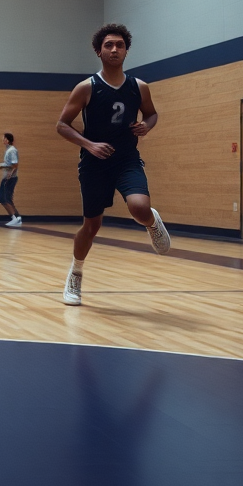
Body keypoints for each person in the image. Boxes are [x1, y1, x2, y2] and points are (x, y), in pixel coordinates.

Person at [56, 23, 171, 306]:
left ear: (126, 51)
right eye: (108, 45)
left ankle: (152, 222)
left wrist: (147, 125)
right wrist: (89, 144)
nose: (114, 49)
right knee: (91, 227)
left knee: (140, 207)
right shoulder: (86, 88)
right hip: (94, 164)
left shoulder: (138, 87)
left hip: (126, 159)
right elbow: (61, 125)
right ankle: (76, 273)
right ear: (99, 51)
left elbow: (152, 114)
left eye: (119, 45)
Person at [0, 132, 21, 227]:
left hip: (10, 178)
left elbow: (15, 164)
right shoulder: (9, 150)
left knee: (5, 198)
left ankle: (15, 218)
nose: (2, 140)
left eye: (4, 139)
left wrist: (3, 166)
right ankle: (17, 217)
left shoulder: (12, 151)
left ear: (7, 140)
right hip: (7, 177)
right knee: (3, 198)